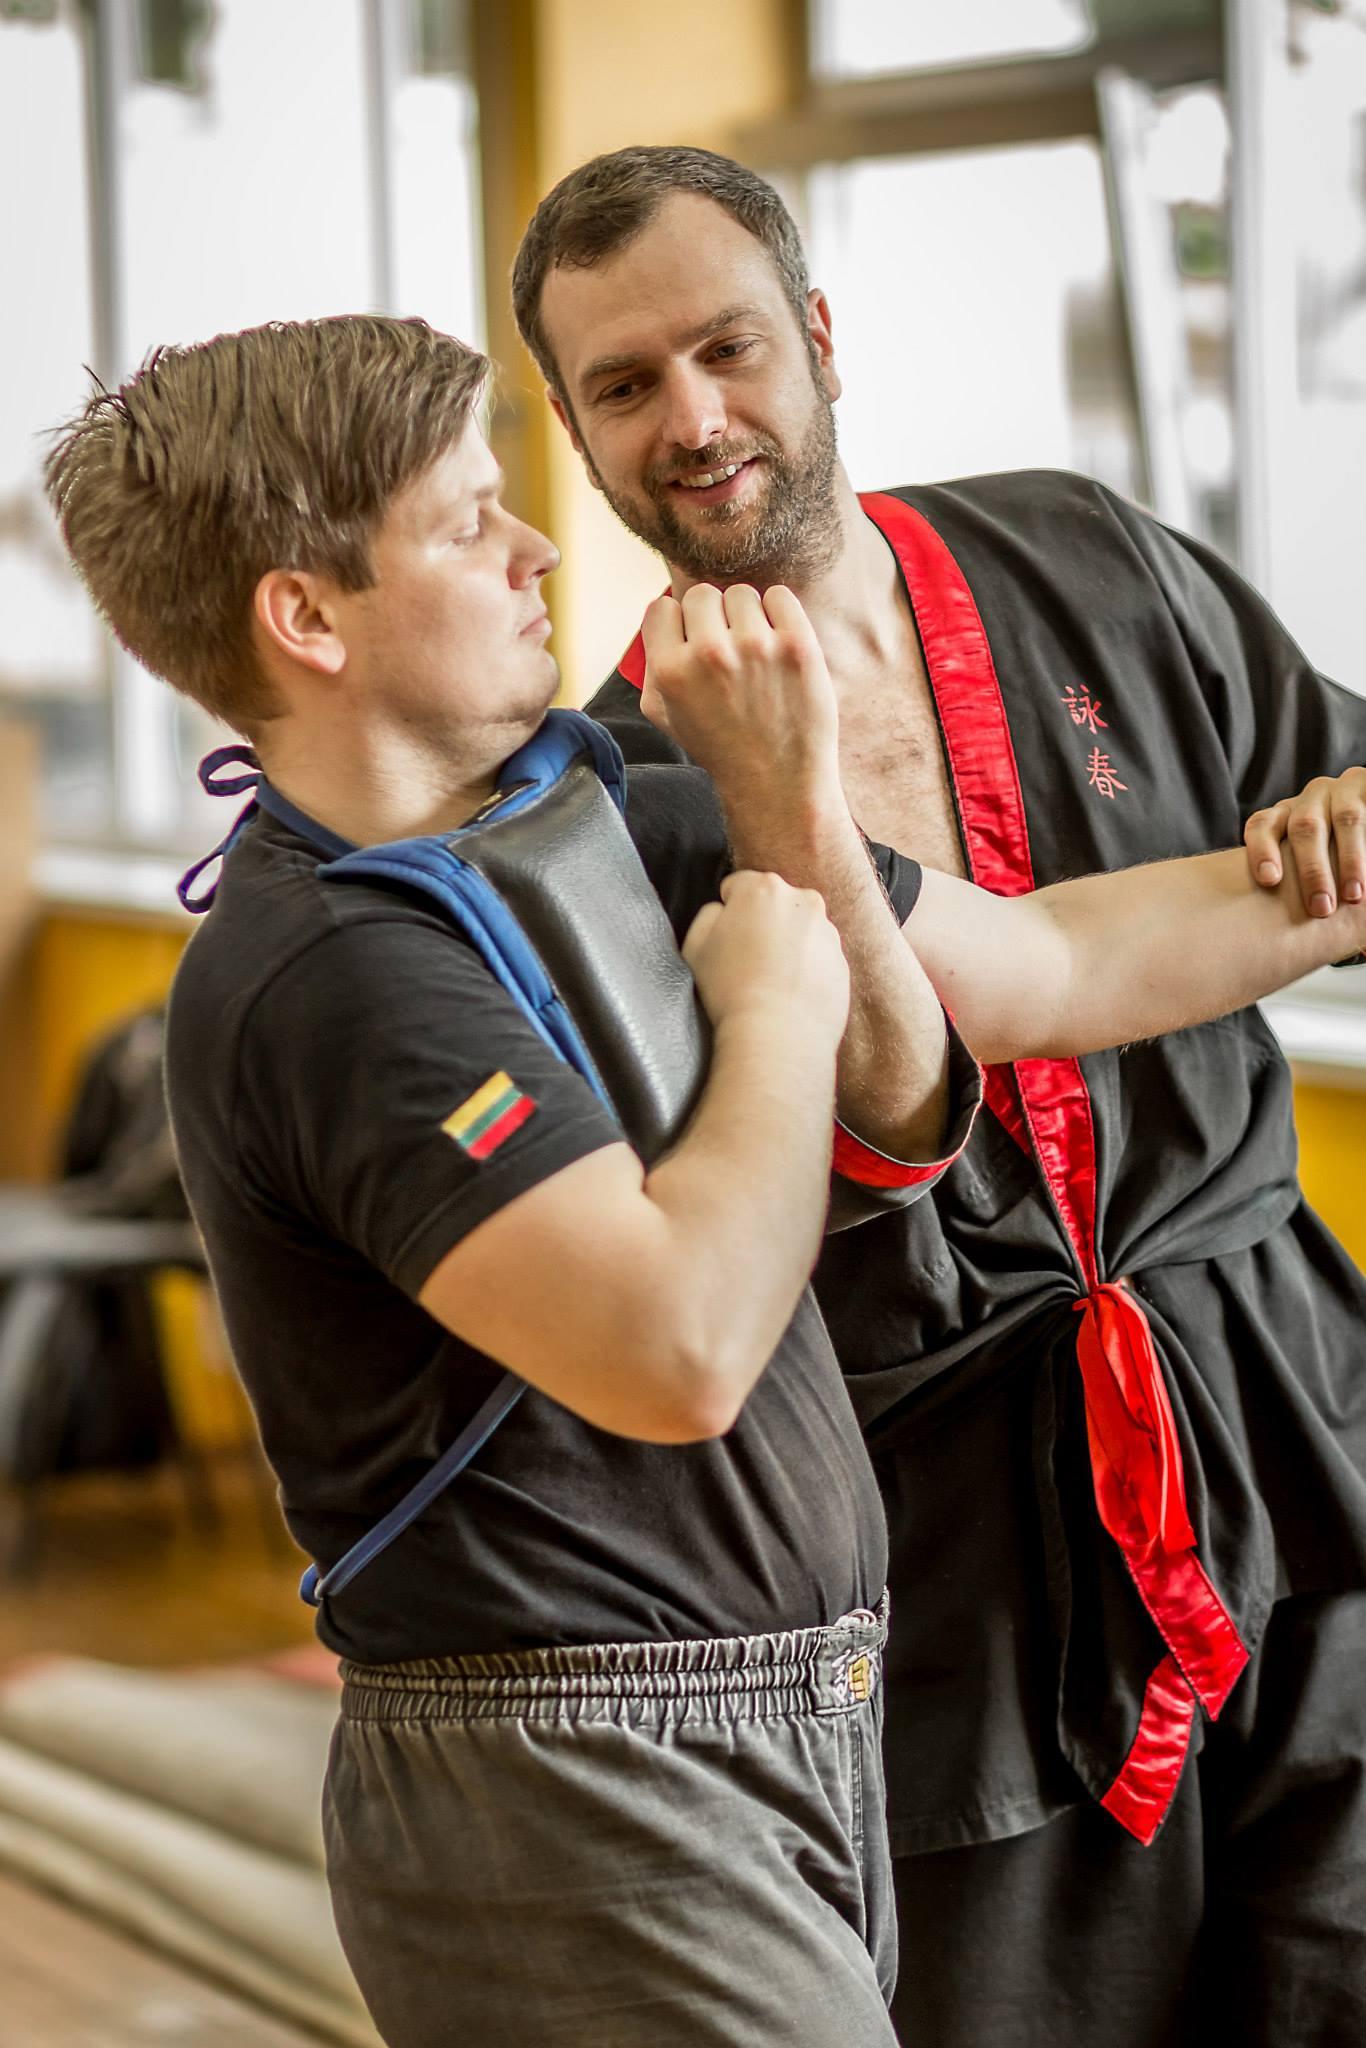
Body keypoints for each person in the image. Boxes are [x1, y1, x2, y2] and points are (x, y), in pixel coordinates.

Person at [511, 146, 1366, 2047]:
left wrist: (1344, 815)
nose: (692, 419)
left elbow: (1329, 805)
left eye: (728, 348)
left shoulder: (1090, 554)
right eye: (625, 385)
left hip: (1290, 1427)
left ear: (818, 336)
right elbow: (841, 1145)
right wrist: (779, 811)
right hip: (956, 1555)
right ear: (571, 429)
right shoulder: (608, 805)